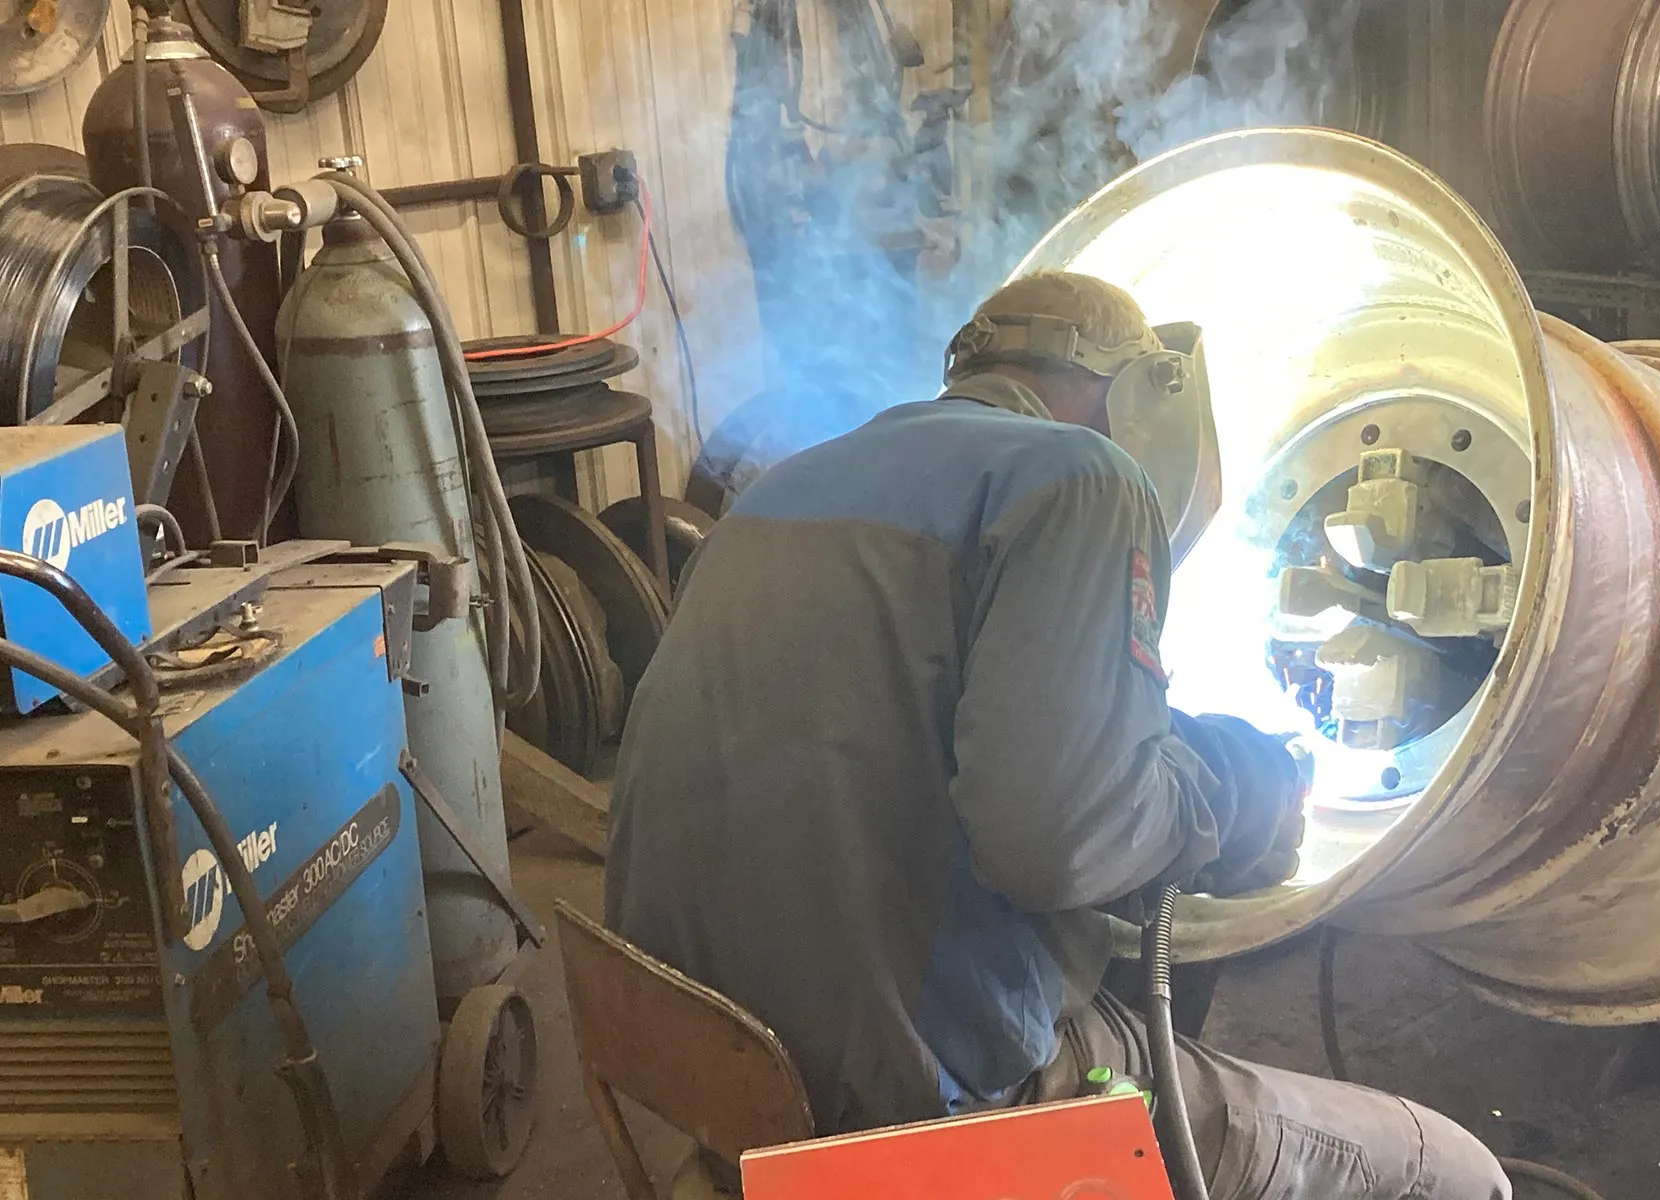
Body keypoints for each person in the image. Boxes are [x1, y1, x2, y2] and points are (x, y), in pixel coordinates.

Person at [605, 270, 1511, 1200]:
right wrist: (1244, 793)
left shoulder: (782, 487)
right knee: (1452, 1173)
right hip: (911, 1107)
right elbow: (1058, 838)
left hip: (706, 1064)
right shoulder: (1082, 476)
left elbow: (924, 719)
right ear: (1148, 393)